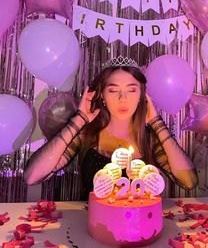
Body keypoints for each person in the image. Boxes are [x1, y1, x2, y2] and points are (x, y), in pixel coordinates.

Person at [24, 56, 198, 200]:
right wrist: (79, 118)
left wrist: (156, 122)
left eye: (131, 90)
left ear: (141, 96)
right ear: (102, 96)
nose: (123, 98)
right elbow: (32, 176)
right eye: (114, 91)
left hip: (139, 232)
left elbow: (188, 181)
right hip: (95, 231)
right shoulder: (87, 133)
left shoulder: (150, 138)